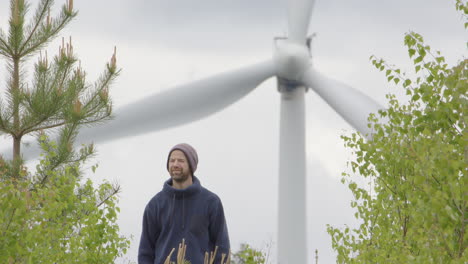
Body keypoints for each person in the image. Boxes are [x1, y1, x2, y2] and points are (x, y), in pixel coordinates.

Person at [138, 143, 230, 264]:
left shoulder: (211, 202)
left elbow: (222, 248)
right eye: (172, 161)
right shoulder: (155, 205)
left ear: (191, 165)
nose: (175, 164)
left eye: (181, 160)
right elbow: (145, 252)